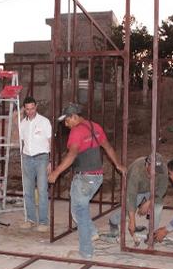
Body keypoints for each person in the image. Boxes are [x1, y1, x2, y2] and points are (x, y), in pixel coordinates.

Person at [48, 102, 126, 259]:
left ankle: (86, 250)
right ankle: (91, 232)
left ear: (74, 117)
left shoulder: (76, 132)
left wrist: (56, 172)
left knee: (79, 212)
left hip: (84, 178)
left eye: (67, 120)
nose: (66, 124)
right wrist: (118, 165)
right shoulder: (95, 126)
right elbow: (108, 147)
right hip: (97, 177)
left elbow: (71, 155)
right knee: (79, 208)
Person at [107, 153, 168, 244]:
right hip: (137, 190)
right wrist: (132, 222)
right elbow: (130, 196)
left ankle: (152, 234)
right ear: (147, 164)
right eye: (153, 169)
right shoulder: (136, 170)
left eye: (157, 170)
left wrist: (149, 202)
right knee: (130, 207)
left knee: (157, 207)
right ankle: (113, 221)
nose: (155, 172)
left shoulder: (162, 168)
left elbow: (162, 188)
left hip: (153, 191)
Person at [19, 96, 52, 232]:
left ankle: (43, 221)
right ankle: (31, 219)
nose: (30, 111)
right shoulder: (22, 124)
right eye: (27, 109)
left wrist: (50, 160)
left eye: (32, 108)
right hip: (27, 158)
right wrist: (22, 157)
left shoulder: (44, 122)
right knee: (28, 191)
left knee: (42, 190)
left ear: (36, 107)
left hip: (42, 159)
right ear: (24, 109)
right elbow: (22, 142)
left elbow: (50, 142)